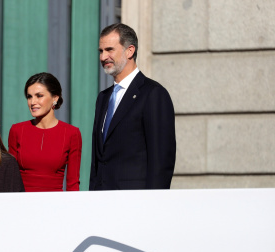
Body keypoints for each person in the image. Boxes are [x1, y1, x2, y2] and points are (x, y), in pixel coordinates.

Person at [90, 23, 176, 190]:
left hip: (136, 203)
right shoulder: (103, 98)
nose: (103, 57)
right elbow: (98, 162)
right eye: (101, 51)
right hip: (102, 203)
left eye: (109, 50)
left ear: (130, 51)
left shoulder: (153, 94)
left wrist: (153, 204)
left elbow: (161, 160)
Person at [9, 72, 82, 192]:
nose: (32, 102)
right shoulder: (17, 130)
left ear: (55, 98)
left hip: (55, 206)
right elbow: (9, 177)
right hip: (21, 205)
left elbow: (73, 184)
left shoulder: (71, 134)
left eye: (39, 96)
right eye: (29, 96)